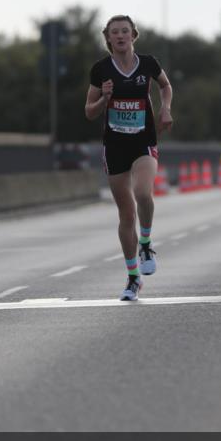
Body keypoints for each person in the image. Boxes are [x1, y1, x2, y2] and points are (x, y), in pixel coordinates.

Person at [85, 15, 173, 301]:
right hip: (115, 146)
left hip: (143, 140)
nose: (120, 36)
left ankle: (145, 243)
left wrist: (165, 109)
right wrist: (104, 99)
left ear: (134, 35)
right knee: (126, 213)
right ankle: (133, 278)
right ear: (108, 38)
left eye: (125, 31)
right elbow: (89, 111)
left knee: (143, 193)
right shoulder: (101, 70)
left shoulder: (147, 64)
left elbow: (165, 86)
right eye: (115, 32)